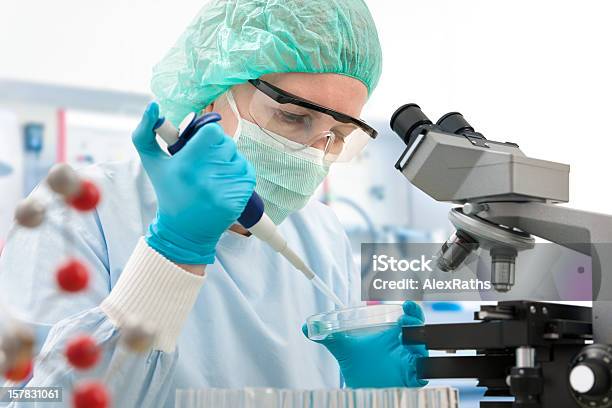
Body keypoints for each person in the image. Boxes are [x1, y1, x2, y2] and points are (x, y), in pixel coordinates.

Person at [0, 0, 427, 406]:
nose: (312, 153)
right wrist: (172, 253)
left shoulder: (322, 233)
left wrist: (373, 395)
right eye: (293, 117)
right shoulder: (80, 209)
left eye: (338, 136)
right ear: (212, 89)